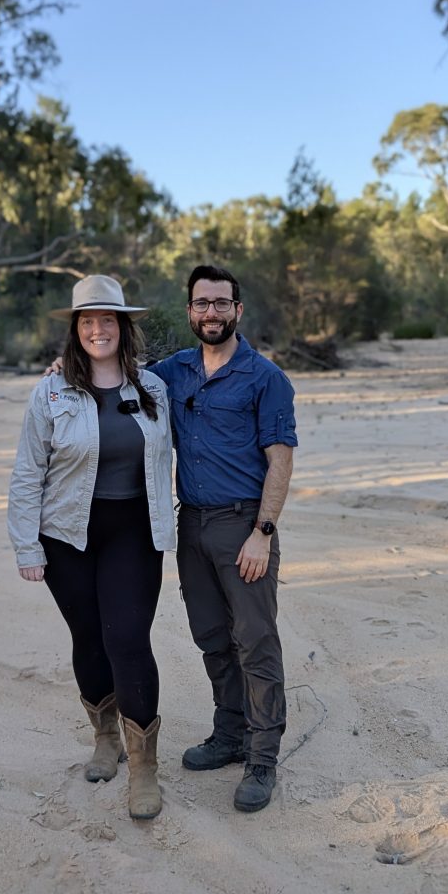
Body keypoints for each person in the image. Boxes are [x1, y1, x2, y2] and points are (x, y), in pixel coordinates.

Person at [8, 274, 176, 821]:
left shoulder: (155, 389)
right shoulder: (51, 391)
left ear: (123, 326)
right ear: (75, 329)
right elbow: (28, 471)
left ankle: (144, 766)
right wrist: (27, 546)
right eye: (88, 321)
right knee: (89, 638)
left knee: (127, 638)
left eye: (108, 319)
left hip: (135, 530)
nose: (98, 329)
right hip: (66, 536)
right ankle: (105, 738)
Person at [147, 265, 297, 813]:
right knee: (211, 635)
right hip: (192, 525)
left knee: (255, 640)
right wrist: (62, 369)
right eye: (201, 303)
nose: (211, 313)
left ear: (238, 309)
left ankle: (262, 758)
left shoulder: (266, 378)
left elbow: (280, 461)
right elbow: (115, 377)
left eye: (221, 303)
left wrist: (263, 533)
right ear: (189, 311)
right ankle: (229, 734)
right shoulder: (173, 372)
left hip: (243, 524)